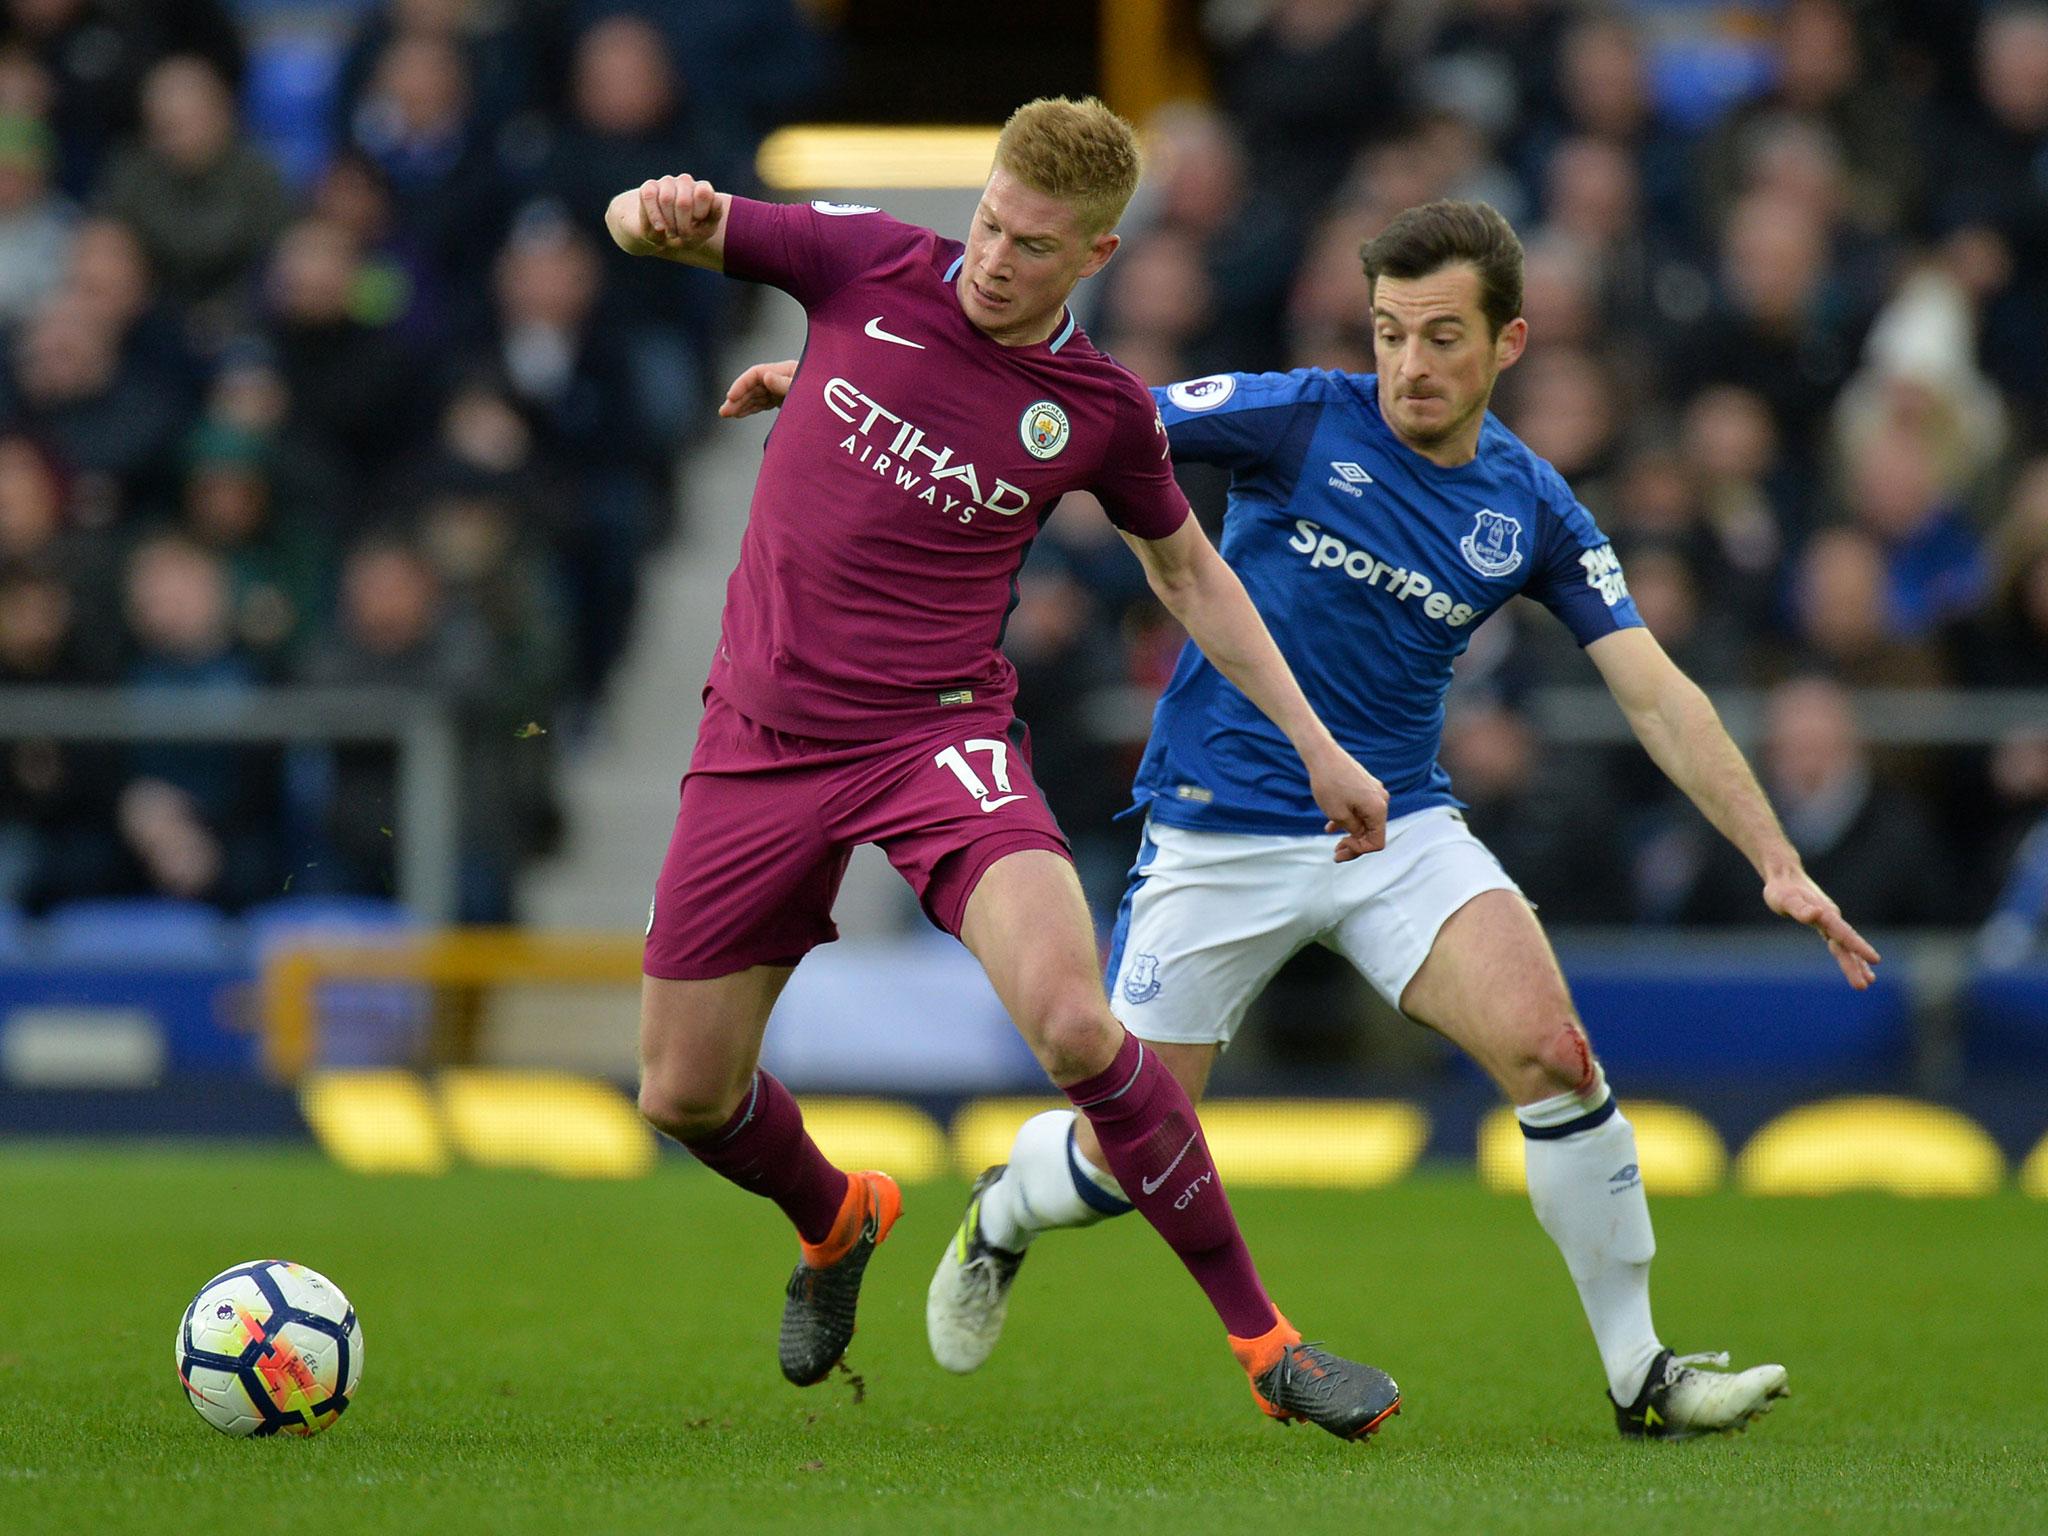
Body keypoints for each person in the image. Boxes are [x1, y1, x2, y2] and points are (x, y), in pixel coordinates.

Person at [721, 199, 1881, 1440]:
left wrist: (1774, 858)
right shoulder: (1292, 414)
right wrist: (857, 379)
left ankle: (1640, 1375)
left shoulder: (1531, 506)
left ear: (1509, 345)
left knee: (1553, 1053)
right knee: (1126, 1157)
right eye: (1388, 331)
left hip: (1395, 830)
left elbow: (1650, 685)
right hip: (1215, 833)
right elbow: (1076, 418)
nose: (1409, 364)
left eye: (1442, 337)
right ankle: (1006, 1209)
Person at [603, 97, 1402, 1441]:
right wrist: (652, 213)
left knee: (1080, 1028)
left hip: (937, 741)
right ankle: (836, 1215)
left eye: (1032, 246)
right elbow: (657, 231)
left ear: (1093, 257)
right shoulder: (866, 263)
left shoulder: (1096, 412)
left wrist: (1320, 747)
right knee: (683, 1093)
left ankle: (1270, 1345)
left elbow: (1190, 575)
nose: (991, 259)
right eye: (986, 223)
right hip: (759, 738)